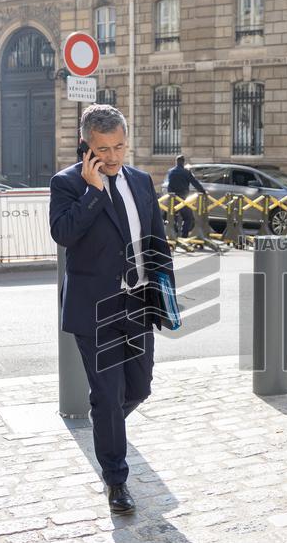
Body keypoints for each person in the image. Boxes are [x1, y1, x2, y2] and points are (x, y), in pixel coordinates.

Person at [49, 104, 175, 515]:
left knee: (139, 388)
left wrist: (164, 298)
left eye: (120, 145)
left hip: (137, 302)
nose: (114, 156)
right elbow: (64, 235)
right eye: (104, 148)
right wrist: (92, 192)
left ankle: (107, 425)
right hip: (95, 308)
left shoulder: (141, 180)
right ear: (87, 146)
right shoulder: (67, 184)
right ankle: (116, 480)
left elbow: (156, 241)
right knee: (106, 394)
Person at [165, 154, 206, 238]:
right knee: (188, 218)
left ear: (176, 162)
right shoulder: (186, 172)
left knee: (172, 217)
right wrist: (203, 192)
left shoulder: (171, 171)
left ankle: (174, 233)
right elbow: (195, 183)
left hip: (173, 198)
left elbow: (169, 185)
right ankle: (184, 235)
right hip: (183, 199)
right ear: (183, 162)